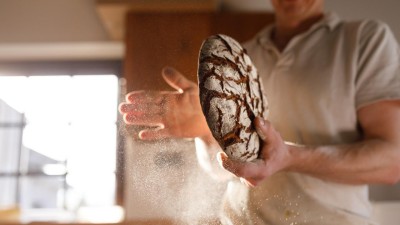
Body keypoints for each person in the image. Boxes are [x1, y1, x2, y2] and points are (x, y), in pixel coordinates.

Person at [119, 0, 400, 224]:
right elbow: (225, 171)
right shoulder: (241, 58)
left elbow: (391, 162)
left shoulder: (364, 41)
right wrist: (206, 130)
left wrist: (290, 157)